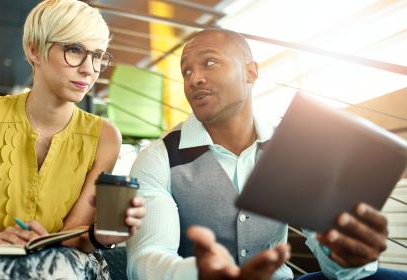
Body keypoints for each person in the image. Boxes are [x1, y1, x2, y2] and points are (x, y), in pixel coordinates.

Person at [127, 28, 404, 280]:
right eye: (186, 72)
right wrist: (199, 274)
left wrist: (348, 259)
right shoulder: (157, 158)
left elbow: (332, 261)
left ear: (250, 72)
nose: (194, 79)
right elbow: (146, 258)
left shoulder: (292, 150)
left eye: (209, 63)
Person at [0, 0, 145, 279]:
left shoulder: (106, 136)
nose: (89, 68)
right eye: (74, 50)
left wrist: (102, 234)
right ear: (34, 50)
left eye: (98, 55)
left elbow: (72, 237)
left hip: (69, 262)